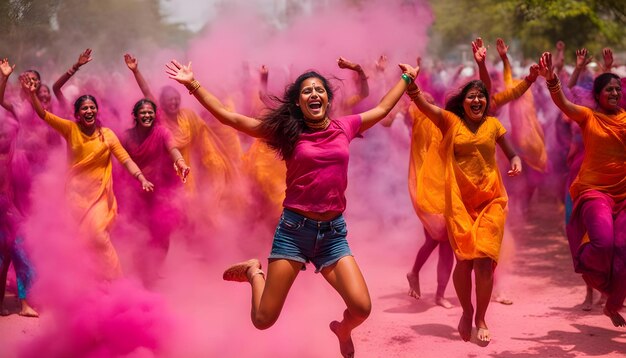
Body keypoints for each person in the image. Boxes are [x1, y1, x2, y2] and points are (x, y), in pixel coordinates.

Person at [165, 57, 417, 358]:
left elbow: (382, 109)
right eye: (306, 91)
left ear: (327, 98)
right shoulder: (288, 133)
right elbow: (231, 119)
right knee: (262, 320)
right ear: (298, 103)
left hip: (333, 236)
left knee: (361, 308)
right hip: (294, 233)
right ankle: (253, 271)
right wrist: (192, 84)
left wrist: (406, 80)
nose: (314, 94)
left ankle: (342, 329)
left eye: (319, 90)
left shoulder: (344, 127)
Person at [407, 63, 522, 342]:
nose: (477, 99)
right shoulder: (451, 121)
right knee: (466, 260)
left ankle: (481, 318)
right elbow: (424, 105)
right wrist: (410, 83)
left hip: (491, 200)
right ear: (463, 101)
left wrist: (516, 161)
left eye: (481, 96)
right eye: (471, 95)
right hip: (459, 203)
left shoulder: (494, 125)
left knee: (484, 260)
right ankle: (466, 311)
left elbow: (511, 151)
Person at [20, 73, 154, 280]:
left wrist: (141, 178)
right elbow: (43, 115)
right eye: (85, 108)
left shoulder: (107, 134)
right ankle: (92, 282)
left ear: (96, 111)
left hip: (100, 196)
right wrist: (32, 96)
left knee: (99, 236)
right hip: (75, 197)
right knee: (82, 242)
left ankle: (116, 282)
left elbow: (125, 159)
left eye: (92, 107)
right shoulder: (70, 129)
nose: (89, 110)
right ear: (77, 114)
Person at [538, 52, 626, 327]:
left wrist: (609, 69)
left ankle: (612, 304)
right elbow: (563, 103)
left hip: (624, 196)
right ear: (597, 96)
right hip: (594, 191)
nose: (614, 92)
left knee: (623, 249)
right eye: (608, 89)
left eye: (617, 89)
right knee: (602, 243)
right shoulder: (588, 117)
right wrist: (553, 81)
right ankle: (587, 273)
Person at [119, 98, 189, 286]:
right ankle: (141, 271)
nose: (147, 115)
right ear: (135, 116)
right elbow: (120, 161)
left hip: (159, 192)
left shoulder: (162, 132)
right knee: (139, 233)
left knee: (162, 232)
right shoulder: (126, 137)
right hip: (135, 192)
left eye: (150, 112)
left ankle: (155, 267)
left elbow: (173, 149)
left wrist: (180, 162)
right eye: (143, 112)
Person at [0, 117, 38, 317]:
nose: (4, 138)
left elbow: (26, 188)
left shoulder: (19, 157)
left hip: (15, 215)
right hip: (3, 215)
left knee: (23, 258)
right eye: (1, 134)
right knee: (2, 262)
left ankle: (24, 304)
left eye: (8, 134)